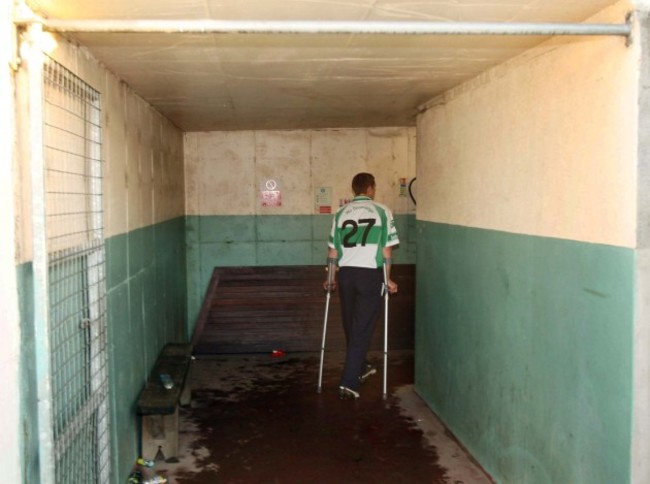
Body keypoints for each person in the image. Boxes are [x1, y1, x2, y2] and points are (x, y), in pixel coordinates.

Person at [324, 172, 399, 399]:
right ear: (370, 188)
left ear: (354, 189)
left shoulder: (341, 213)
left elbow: (333, 251)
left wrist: (330, 279)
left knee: (351, 324)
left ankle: (362, 366)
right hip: (370, 276)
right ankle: (349, 382)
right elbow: (386, 251)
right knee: (362, 328)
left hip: (346, 275)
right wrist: (388, 280)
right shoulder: (382, 211)